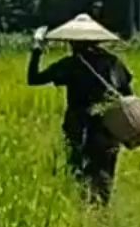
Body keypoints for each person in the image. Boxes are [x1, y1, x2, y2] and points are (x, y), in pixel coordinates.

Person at [27, 14, 134, 205]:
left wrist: (37, 49)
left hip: (79, 127)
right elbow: (127, 94)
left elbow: (33, 79)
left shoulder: (71, 64)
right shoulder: (113, 62)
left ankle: (84, 213)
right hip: (109, 128)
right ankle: (103, 215)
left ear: (72, 42)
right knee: (105, 175)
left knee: (79, 174)